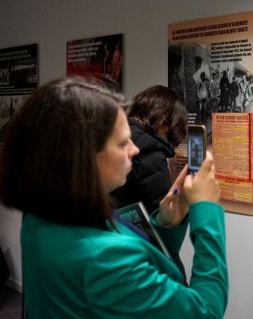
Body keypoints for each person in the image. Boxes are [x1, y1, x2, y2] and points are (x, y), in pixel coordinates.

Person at [0, 78, 228, 318]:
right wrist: (206, 210)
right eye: (122, 143)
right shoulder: (105, 260)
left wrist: (166, 224)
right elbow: (206, 311)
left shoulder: (43, 215)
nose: (135, 149)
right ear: (85, 156)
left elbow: (134, 261)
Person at [111, 85, 187, 213]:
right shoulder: (150, 151)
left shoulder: (115, 133)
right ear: (164, 121)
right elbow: (165, 214)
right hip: (133, 229)